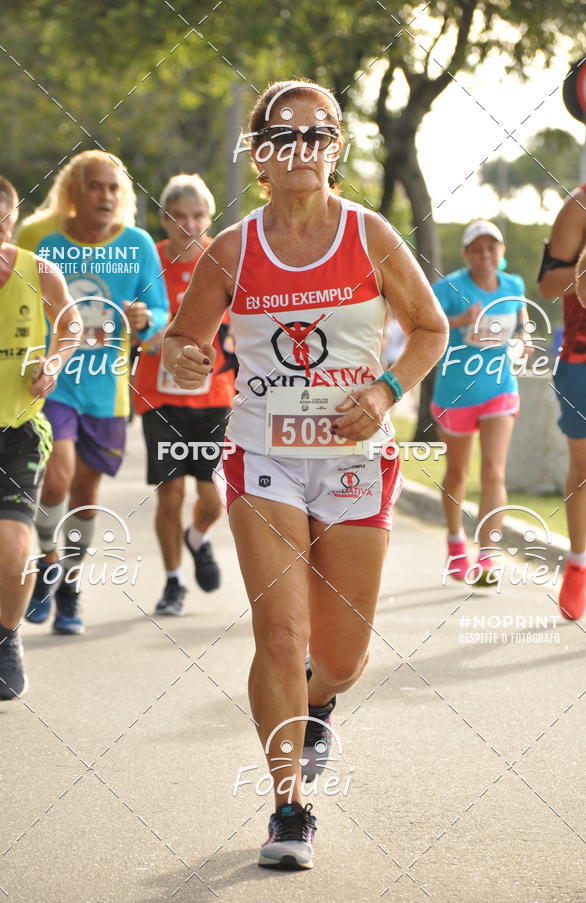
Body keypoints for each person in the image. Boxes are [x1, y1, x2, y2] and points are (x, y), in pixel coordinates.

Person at [163, 80, 447, 870]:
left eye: (315, 134)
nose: (298, 148)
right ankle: (289, 808)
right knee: (281, 635)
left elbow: (430, 327)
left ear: (335, 148)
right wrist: (183, 356)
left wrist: (385, 391)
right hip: (264, 456)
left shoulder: (369, 234)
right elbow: (184, 341)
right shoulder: (232, 249)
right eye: (280, 137)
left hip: (354, 460)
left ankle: (319, 700)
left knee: (342, 656)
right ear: (258, 156)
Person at [18, 150, 168, 635]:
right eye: (95, 186)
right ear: (73, 193)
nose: (105, 196)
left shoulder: (137, 245)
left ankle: (69, 585)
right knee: (56, 480)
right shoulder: (39, 239)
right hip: (53, 382)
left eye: (113, 188)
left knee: (85, 492)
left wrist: (147, 320)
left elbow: (160, 313)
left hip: (107, 389)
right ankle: (46, 561)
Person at [133, 174, 235, 615]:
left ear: (209, 218)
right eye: (179, 217)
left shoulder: (225, 258)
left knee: (213, 498)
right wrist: (141, 326)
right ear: (164, 219)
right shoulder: (149, 262)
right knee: (170, 494)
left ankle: (197, 537)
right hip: (160, 397)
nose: (189, 225)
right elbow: (129, 323)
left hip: (215, 396)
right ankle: (173, 582)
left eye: (198, 216)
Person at [0, 176, 81, 699]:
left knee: (12, 547)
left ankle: (6, 638)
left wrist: (53, 363)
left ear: (12, 219)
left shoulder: (37, 270)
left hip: (19, 431)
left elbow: (71, 322)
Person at [431, 222, 531, 585]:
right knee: (458, 473)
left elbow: (522, 320)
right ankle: (456, 543)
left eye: (491, 248)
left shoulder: (514, 285)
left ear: (501, 252)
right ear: (466, 254)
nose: (485, 255)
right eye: (477, 249)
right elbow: (423, 325)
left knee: (493, 471)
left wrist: (525, 339)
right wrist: (461, 320)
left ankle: (487, 554)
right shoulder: (448, 287)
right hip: (455, 394)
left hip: (499, 388)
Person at [539, 180, 586, 620]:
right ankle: (579, 560)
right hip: (585, 356)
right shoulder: (584, 203)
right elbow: (547, 285)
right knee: (585, 466)